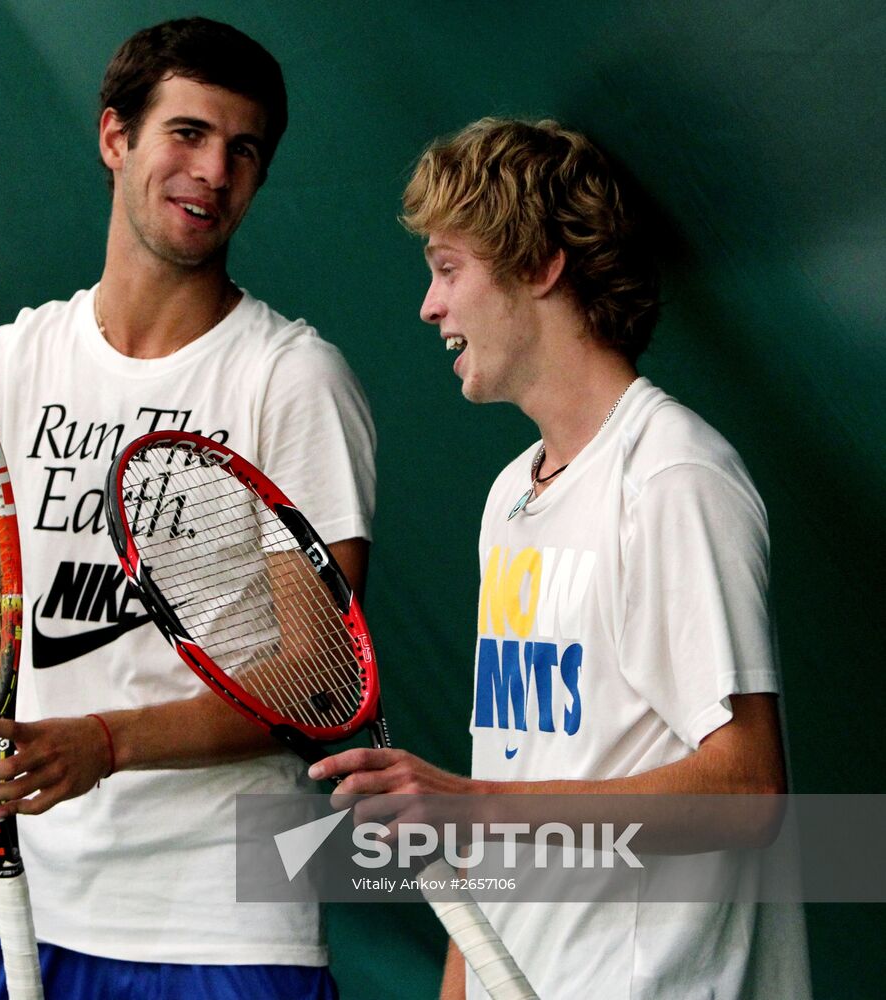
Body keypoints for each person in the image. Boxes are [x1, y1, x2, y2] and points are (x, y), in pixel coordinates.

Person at [0, 17, 374, 1000]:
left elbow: (312, 681)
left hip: (221, 927)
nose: (214, 171)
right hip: (15, 912)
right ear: (115, 138)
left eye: (244, 150)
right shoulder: (5, 365)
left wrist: (104, 744)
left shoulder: (293, 380)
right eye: (187, 134)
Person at [312, 118, 810, 999]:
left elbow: (745, 790)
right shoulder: (510, 495)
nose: (429, 306)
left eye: (447, 266)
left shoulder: (673, 478)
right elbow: (508, 780)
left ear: (540, 263)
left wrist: (471, 808)